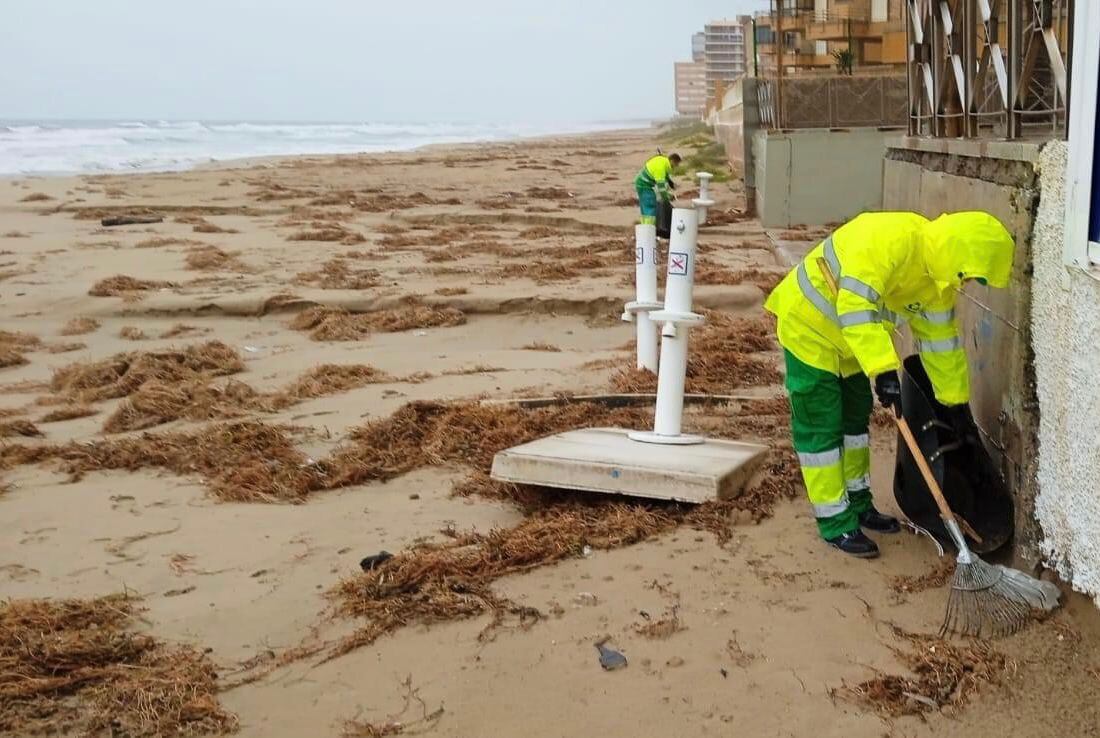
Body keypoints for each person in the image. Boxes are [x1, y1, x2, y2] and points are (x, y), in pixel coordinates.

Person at [763, 211, 1015, 558]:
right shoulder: (889, 241)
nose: (968, 284)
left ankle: (859, 503)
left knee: (855, 421)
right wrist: (884, 371)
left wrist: (955, 404)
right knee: (822, 426)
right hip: (810, 329)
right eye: (971, 275)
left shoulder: (939, 284)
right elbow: (855, 309)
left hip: (851, 346)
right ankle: (835, 521)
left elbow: (942, 345)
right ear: (958, 255)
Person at [634, 152, 681, 225]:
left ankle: (644, 229)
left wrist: (670, 182)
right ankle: (649, 229)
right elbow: (661, 188)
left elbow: (665, 175)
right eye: (676, 164)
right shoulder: (660, 168)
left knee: (645, 208)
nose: (675, 167)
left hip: (641, 183)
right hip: (644, 185)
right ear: (672, 161)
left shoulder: (663, 161)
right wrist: (667, 198)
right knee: (650, 205)